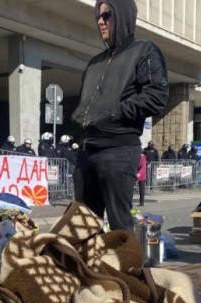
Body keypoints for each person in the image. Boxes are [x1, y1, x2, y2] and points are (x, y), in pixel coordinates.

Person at [71, 0, 168, 232]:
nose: (100, 21)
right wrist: (77, 119)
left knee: (120, 224)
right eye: (98, 15)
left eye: (107, 15)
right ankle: (89, 268)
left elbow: (157, 95)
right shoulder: (95, 63)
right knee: (83, 224)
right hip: (87, 150)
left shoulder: (144, 51)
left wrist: (116, 111)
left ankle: (127, 269)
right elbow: (86, 103)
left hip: (119, 149)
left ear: (122, 16)